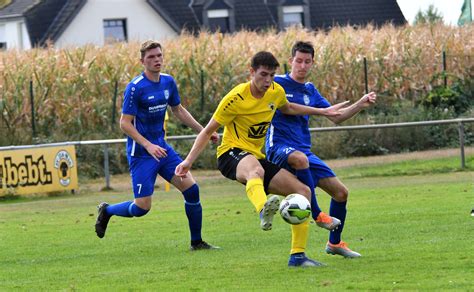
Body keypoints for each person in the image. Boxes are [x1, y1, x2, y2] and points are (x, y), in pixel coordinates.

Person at [175, 51, 350, 267]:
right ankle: (262, 209)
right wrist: (188, 162)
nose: (268, 81)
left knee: (303, 192)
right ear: (252, 72)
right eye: (263, 75)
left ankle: (297, 257)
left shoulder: (275, 91)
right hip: (230, 154)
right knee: (254, 170)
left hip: (256, 156)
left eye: (272, 75)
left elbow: (288, 107)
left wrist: (323, 112)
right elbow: (207, 131)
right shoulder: (235, 98)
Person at [95, 40, 219, 251]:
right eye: (151, 57)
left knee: (192, 190)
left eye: (159, 55)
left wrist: (203, 131)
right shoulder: (135, 88)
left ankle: (196, 242)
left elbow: (178, 110)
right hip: (142, 154)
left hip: (163, 150)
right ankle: (107, 211)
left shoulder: (168, 82)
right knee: (142, 207)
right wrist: (148, 145)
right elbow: (124, 123)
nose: (157, 60)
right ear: (142, 61)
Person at [266, 41, 377, 258]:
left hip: (303, 152)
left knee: (341, 193)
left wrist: (359, 104)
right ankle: (317, 215)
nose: (302, 65)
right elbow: (286, 109)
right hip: (277, 147)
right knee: (300, 160)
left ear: (312, 63)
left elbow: (335, 115)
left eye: (307, 62)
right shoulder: (277, 84)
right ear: (290, 62)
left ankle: (334, 243)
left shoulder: (310, 90)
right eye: (298, 61)